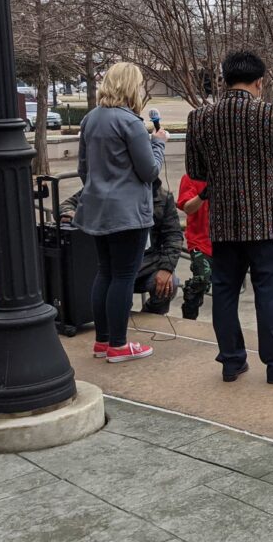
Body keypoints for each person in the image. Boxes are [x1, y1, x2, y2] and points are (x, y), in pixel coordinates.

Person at [186, 50, 273, 384]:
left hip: (224, 223)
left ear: (224, 80)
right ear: (260, 81)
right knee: (268, 293)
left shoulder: (200, 117)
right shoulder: (269, 114)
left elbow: (196, 170)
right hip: (267, 222)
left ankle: (231, 360)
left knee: (225, 292)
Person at [75, 62, 167, 363]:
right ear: (130, 86)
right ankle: (118, 344)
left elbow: (82, 169)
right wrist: (159, 144)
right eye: (140, 85)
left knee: (105, 272)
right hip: (127, 213)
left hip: (97, 209)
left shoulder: (90, 119)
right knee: (124, 275)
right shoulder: (130, 124)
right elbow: (149, 171)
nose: (142, 90)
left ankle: (102, 341)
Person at [60, 179, 183, 316]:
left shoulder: (162, 196)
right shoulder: (106, 188)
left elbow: (174, 235)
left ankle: (147, 316)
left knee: (169, 285)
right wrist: (71, 215)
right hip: (113, 261)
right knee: (116, 294)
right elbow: (67, 205)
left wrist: (166, 268)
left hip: (147, 262)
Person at [176, 173, 213, 320]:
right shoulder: (190, 177)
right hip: (200, 242)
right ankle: (190, 310)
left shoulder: (227, 173)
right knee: (202, 278)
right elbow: (187, 208)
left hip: (225, 241)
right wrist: (202, 196)